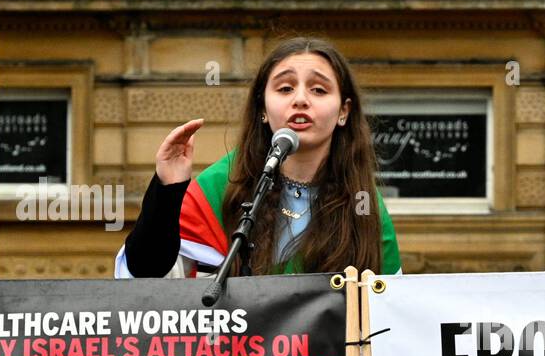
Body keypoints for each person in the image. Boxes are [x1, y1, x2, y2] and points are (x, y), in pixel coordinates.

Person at [116, 35, 402, 279]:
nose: (300, 99)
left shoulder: (365, 205)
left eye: (319, 89)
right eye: (285, 88)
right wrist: (168, 189)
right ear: (263, 109)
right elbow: (143, 282)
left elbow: (391, 311)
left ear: (344, 111)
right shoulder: (218, 187)